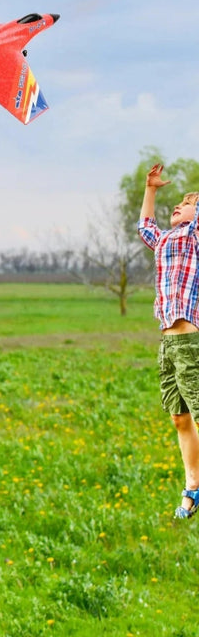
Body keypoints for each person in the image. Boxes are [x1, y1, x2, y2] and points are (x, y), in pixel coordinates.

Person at [138, 162, 199, 519]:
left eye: (186, 203)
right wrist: (151, 190)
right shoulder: (164, 239)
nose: (178, 206)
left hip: (189, 338)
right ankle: (193, 487)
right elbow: (145, 226)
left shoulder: (193, 235)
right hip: (167, 342)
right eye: (177, 203)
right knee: (179, 417)